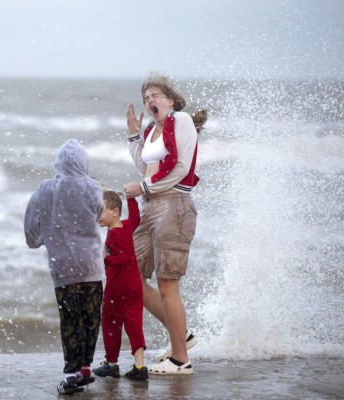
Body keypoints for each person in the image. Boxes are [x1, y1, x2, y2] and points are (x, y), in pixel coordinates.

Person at [123, 74, 207, 375]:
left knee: (167, 283)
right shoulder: (153, 131)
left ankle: (181, 360)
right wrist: (134, 136)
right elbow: (146, 167)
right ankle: (181, 335)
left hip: (174, 205)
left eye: (155, 95)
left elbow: (182, 167)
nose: (150, 101)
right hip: (152, 207)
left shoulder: (180, 120)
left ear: (170, 99)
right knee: (131, 275)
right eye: (146, 97)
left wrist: (144, 188)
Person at [24, 139, 105, 395]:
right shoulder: (93, 187)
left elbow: (31, 228)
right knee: (91, 319)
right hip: (91, 265)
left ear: (57, 163)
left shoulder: (45, 189)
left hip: (63, 268)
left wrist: (38, 240)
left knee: (70, 320)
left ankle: (71, 374)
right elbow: (100, 213)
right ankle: (85, 368)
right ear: (84, 163)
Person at [92, 190, 148, 381]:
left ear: (115, 211)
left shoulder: (116, 234)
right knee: (134, 325)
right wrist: (131, 198)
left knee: (110, 324)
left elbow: (125, 257)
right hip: (133, 288)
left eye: (100, 210)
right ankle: (139, 366)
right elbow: (136, 217)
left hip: (117, 288)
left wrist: (106, 260)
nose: (96, 214)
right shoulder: (126, 226)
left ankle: (112, 364)